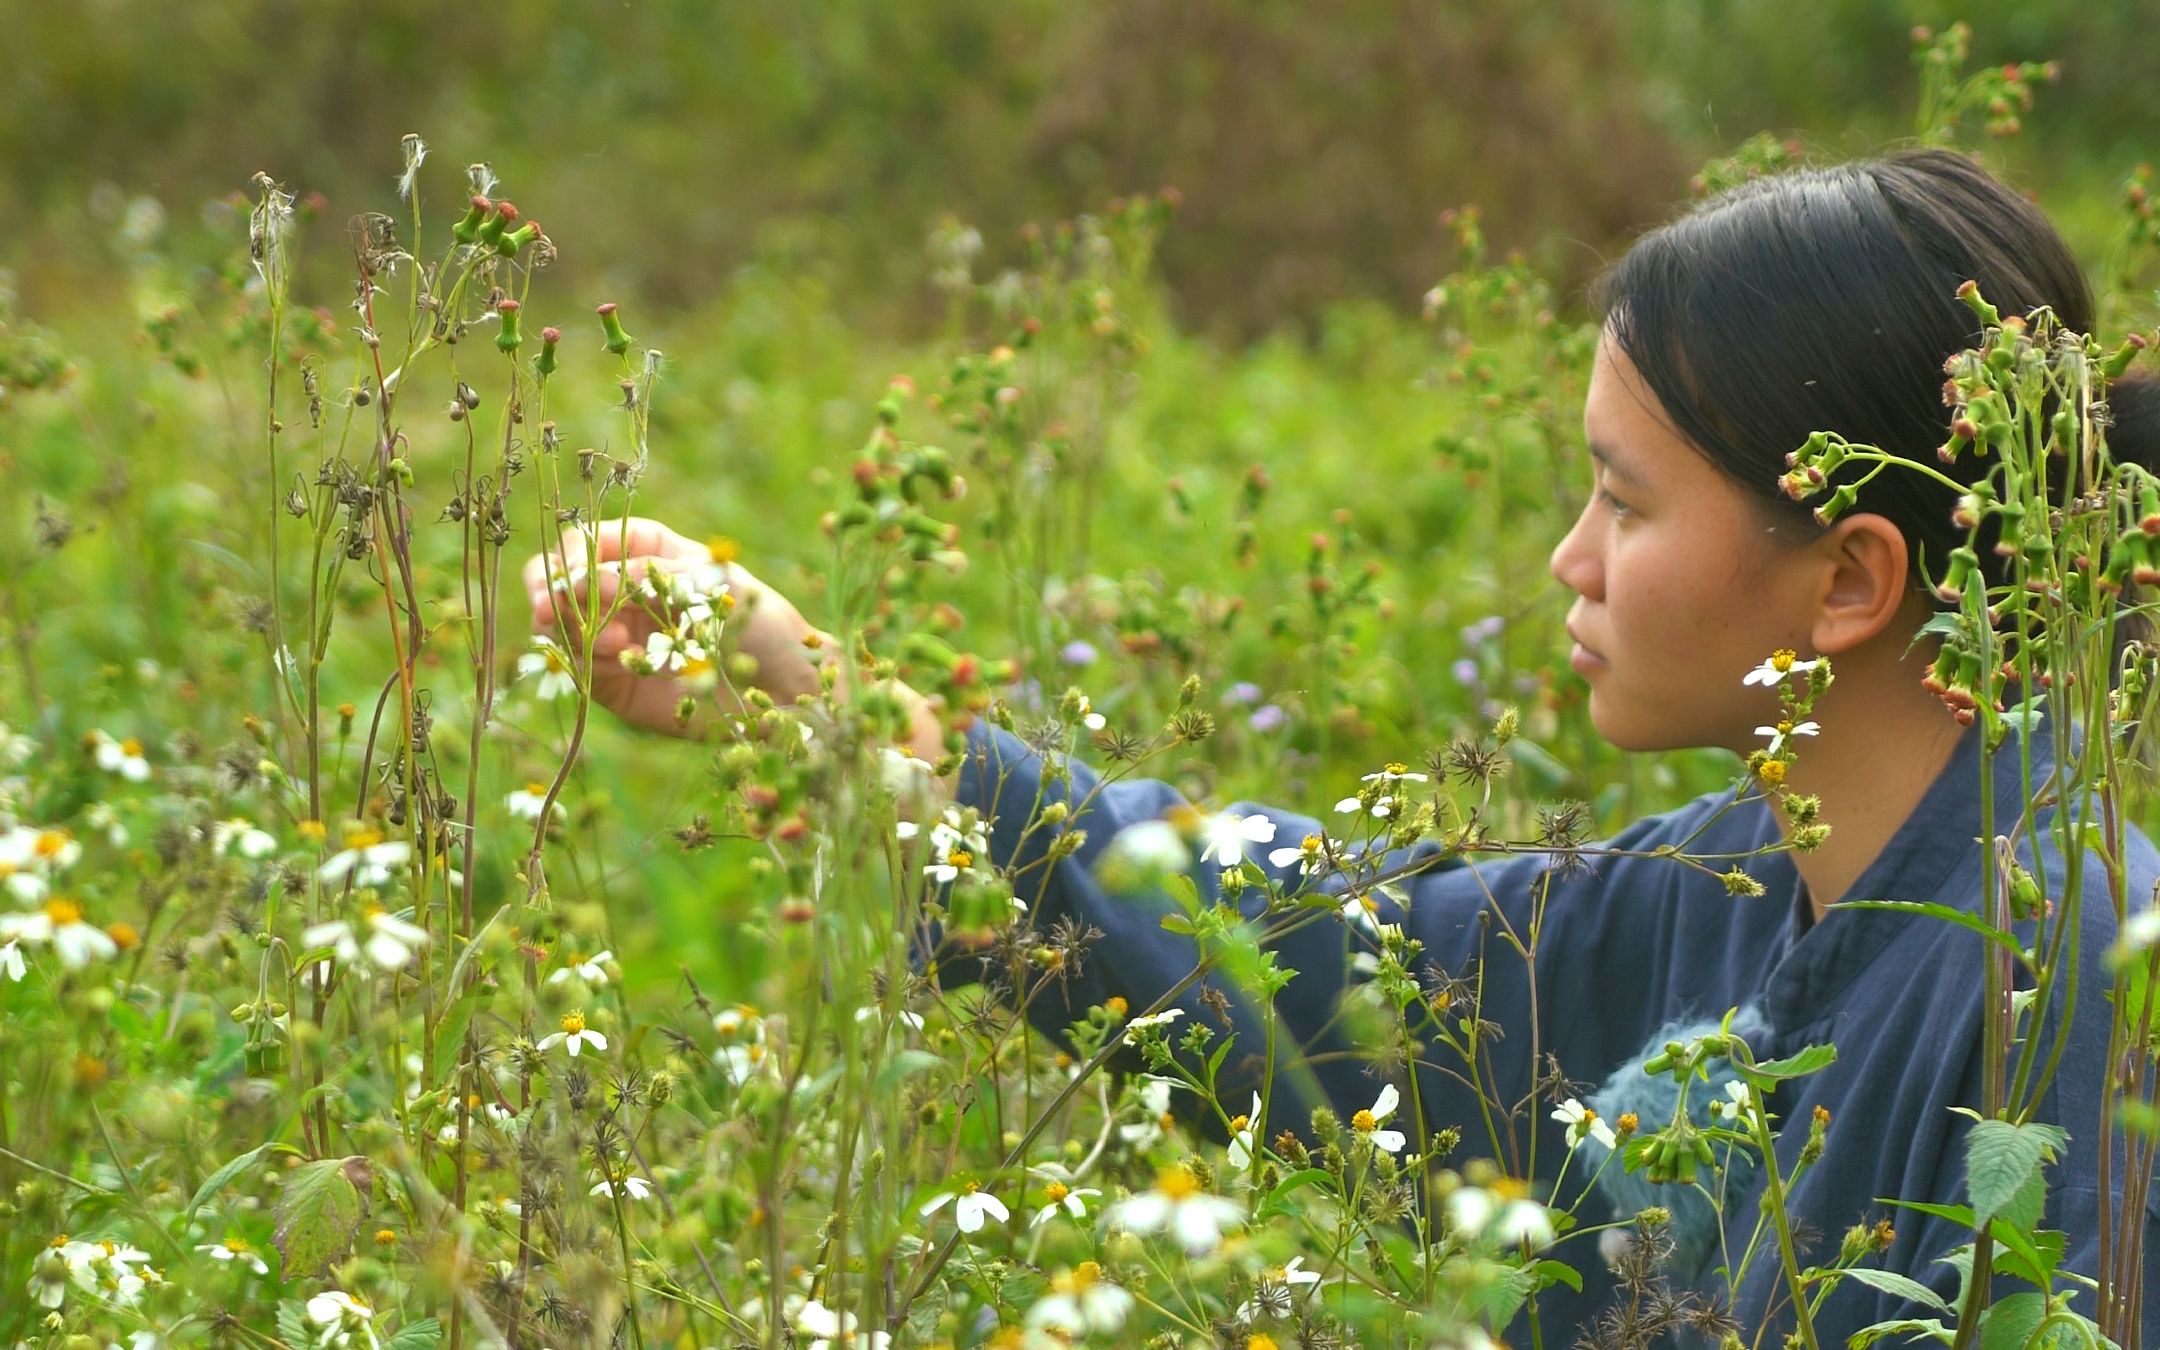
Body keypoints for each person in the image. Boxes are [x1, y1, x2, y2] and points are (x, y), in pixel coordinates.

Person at [526, 149, 2160, 1344]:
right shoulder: (1730, 891)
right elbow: (1303, 949)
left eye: (1625, 499)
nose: (1567, 561)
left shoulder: (2085, 987)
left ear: (1850, 578)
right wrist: (819, 701)